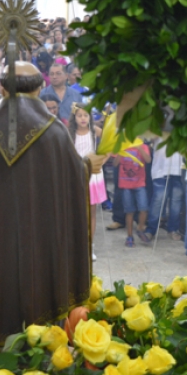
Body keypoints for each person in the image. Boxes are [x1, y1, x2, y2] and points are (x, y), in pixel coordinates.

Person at [0, 61, 94, 339]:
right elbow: (74, 176)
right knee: (40, 307)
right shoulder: (54, 133)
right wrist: (87, 166)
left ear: (2, 88)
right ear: (40, 88)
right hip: (41, 244)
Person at [68, 104, 107, 261]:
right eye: (79, 115)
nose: (83, 118)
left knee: (91, 213)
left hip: (93, 176)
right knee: (75, 212)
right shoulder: (70, 134)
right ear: (74, 118)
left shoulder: (95, 132)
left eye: (86, 115)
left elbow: (111, 143)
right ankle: (75, 245)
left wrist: (102, 161)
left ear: (90, 117)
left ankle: (89, 246)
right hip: (76, 175)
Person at [141, 137, 183, 243]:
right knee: (158, 200)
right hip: (161, 169)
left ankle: (173, 229)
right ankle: (151, 229)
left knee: (176, 202)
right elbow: (147, 139)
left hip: (178, 169)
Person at [115, 140, 151, 247]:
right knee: (129, 211)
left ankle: (140, 228)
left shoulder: (143, 146)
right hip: (125, 184)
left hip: (140, 183)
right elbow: (115, 163)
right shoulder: (121, 144)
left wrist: (139, 148)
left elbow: (148, 160)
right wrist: (120, 151)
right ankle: (129, 237)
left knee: (144, 208)